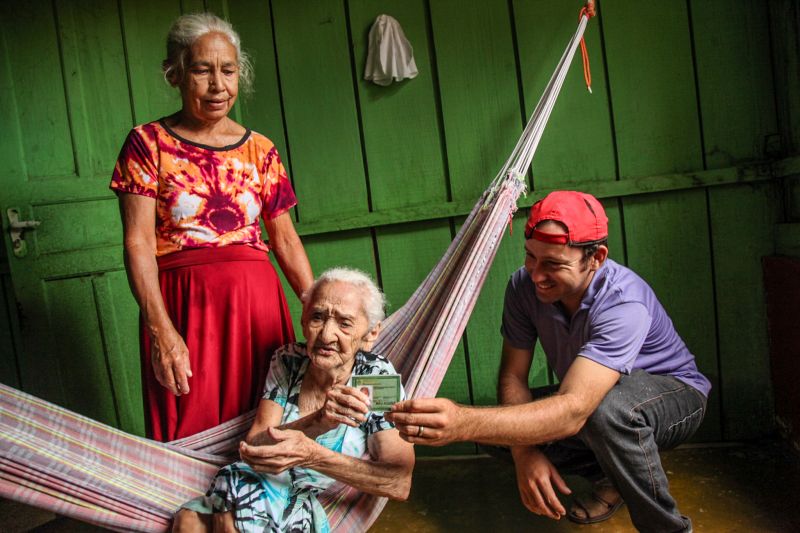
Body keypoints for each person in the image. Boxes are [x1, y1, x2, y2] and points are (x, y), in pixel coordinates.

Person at [387, 191, 710, 532]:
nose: (536, 274)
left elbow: (574, 410)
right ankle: (612, 476)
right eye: (530, 257)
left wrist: (461, 423)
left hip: (675, 395)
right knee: (497, 430)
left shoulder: (623, 302)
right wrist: (524, 455)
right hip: (593, 396)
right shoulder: (523, 287)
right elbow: (513, 378)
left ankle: (669, 529)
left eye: (553, 264)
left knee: (605, 413)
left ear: (596, 257)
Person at [110, 13, 313, 441]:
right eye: (202, 70)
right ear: (176, 74)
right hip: (185, 309)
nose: (218, 85)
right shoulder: (147, 144)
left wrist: (318, 310)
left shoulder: (261, 150)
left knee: (268, 425)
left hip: (258, 308)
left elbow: (286, 240)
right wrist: (161, 330)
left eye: (228, 70)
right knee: (189, 427)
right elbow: (138, 243)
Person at [173, 268, 415, 532]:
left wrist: (311, 456)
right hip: (261, 480)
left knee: (229, 519)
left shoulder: (375, 378)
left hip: (317, 499)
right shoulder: (289, 360)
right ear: (303, 321)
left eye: (344, 323)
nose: (325, 335)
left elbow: (397, 482)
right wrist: (318, 422)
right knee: (188, 521)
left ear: (371, 334)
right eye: (317, 317)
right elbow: (255, 444)